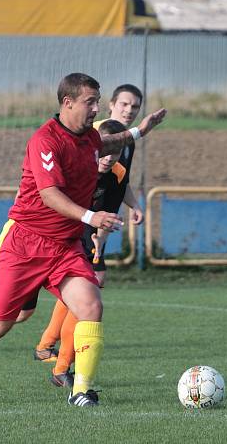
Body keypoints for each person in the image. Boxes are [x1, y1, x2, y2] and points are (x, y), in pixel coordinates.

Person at [0, 73, 166, 407]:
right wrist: (91, 217)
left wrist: (141, 131)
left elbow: (109, 143)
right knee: (0, 323)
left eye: (98, 101)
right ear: (67, 103)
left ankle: (81, 390)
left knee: (91, 305)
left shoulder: (89, 138)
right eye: (90, 102)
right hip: (25, 243)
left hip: (64, 246)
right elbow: (49, 194)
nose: (96, 108)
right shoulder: (46, 140)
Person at [33, 84, 145, 364]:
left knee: (85, 291)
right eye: (124, 105)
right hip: (76, 223)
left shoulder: (125, 141)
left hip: (98, 223)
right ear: (110, 105)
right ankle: (55, 355)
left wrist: (133, 205)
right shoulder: (92, 134)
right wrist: (89, 222)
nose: (129, 111)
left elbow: (121, 178)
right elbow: (65, 186)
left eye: (134, 107)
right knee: (83, 289)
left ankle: (55, 355)